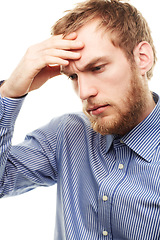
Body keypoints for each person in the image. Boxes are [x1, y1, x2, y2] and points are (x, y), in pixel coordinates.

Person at [0, 0, 159, 239]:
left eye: (96, 68)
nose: (84, 92)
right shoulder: (66, 134)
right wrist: (10, 92)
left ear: (142, 58)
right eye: (73, 76)